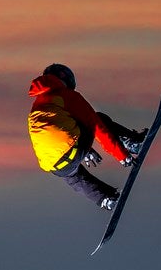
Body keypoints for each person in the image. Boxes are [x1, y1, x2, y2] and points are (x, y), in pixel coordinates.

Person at [26, 63, 147, 210]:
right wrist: (122, 156)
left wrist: (86, 151)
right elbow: (97, 126)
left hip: (54, 165)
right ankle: (133, 143)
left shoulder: (38, 105)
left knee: (72, 176)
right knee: (98, 118)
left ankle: (106, 198)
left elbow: (56, 134)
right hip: (73, 147)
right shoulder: (66, 95)